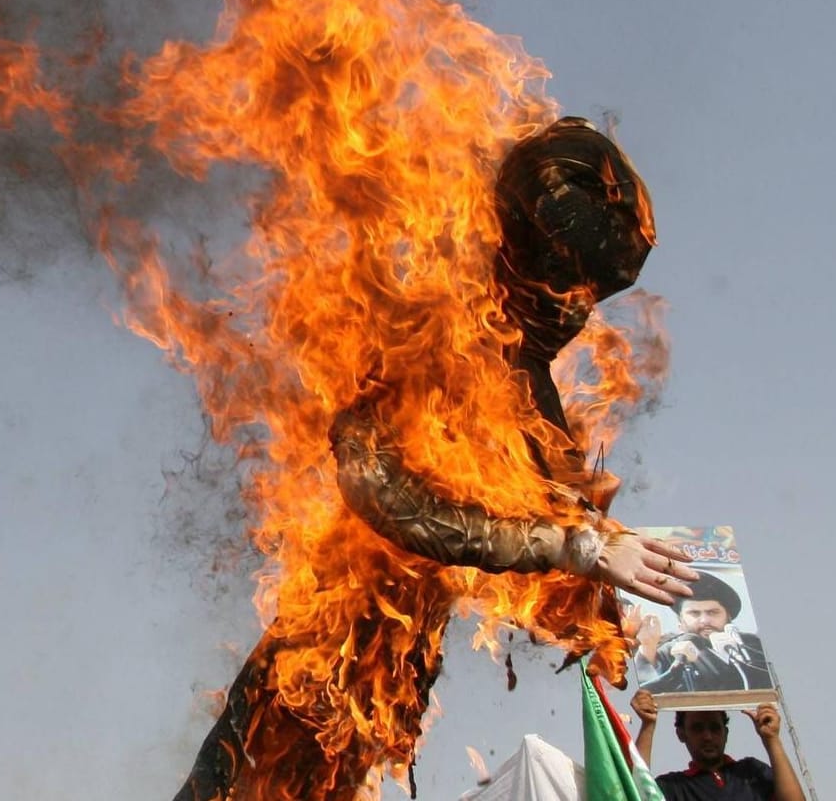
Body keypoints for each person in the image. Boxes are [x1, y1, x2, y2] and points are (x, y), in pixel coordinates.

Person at [171, 118, 700, 801]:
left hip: (391, 683)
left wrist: (619, 616)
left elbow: (542, 565)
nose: (580, 311)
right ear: (530, 257)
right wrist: (580, 547)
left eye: (592, 294)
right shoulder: (429, 333)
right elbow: (383, 495)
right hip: (318, 661)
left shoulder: (531, 394)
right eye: (571, 285)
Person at [631, 691, 805, 801]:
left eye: (715, 728)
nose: (707, 736)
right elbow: (634, 792)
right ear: (681, 734)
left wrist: (771, 739)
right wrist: (647, 724)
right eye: (697, 728)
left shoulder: (751, 772)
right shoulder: (673, 787)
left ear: (725, 732)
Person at [634, 570, 775, 695]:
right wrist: (647, 648)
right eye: (695, 613)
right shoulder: (671, 652)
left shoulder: (752, 645)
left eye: (713, 612)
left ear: (728, 617)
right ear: (681, 622)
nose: (704, 620)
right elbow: (647, 693)